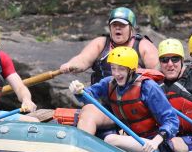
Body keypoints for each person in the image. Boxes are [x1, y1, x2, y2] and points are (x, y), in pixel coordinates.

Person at [60, 7, 160, 138]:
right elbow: (82, 59)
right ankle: (81, 149)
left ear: (132, 28)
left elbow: (158, 74)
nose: (117, 28)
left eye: (122, 25)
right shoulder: (101, 43)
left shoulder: (143, 46)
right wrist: (71, 65)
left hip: (134, 108)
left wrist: (135, 74)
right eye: (114, 25)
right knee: (88, 112)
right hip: (104, 106)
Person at [68, 46, 181, 152]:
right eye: (113, 68)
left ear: (131, 70)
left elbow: (172, 120)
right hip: (130, 138)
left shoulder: (148, 87)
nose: (116, 73)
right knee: (90, 112)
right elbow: (88, 95)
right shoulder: (110, 82)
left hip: (152, 145)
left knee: (110, 140)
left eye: (121, 69)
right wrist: (79, 91)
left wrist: (156, 141)